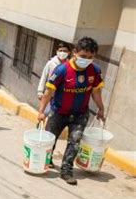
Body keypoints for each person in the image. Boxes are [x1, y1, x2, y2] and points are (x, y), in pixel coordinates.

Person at [38, 37, 105, 185]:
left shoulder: (95, 71)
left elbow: (96, 93)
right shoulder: (62, 70)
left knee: (74, 142)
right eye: (82, 56)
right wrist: (41, 111)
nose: (86, 60)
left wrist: (101, 108)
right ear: (75, 52)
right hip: (58, 112)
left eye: (90, 57)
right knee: (50, 139)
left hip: (80, 114)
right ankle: (44, 161)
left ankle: (66, 170)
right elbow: (48, 92)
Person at [37, 42, 72, 115]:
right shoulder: (51, 63)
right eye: (60, 50)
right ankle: (40, 125)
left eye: (65, 51)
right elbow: (44, 76)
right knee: (45, 113)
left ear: (69, 52)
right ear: (57, 52)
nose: (62, 53)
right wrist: (40, 91)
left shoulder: (69, 65)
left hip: (61, 96)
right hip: (49, 94)